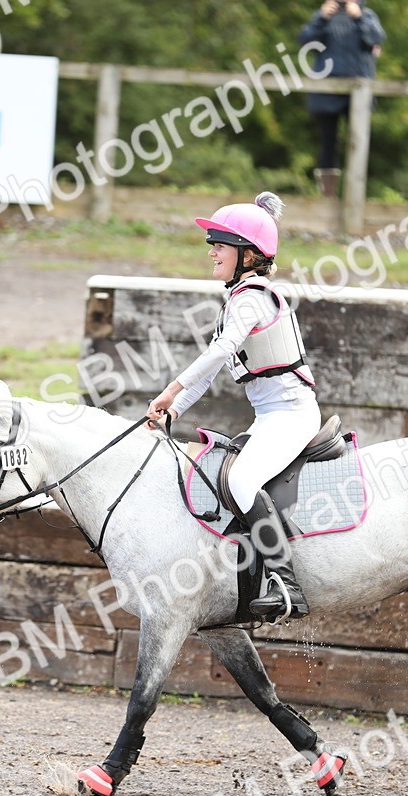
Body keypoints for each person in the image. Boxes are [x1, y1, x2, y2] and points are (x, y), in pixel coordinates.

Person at [146, 192, 320, 622]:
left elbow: (221, 349)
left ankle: (288, 587)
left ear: (248, 255)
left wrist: (171, 387)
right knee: (219, 476)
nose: (211, 252)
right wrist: (175, 410)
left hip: (293, 416)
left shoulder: (252, 298)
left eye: (219, 245)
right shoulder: (239, 299)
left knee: (241, 480)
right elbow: (212, 369)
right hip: (270, 418)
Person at [299, 0, 386, 198]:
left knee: (358, 142)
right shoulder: (322, 16)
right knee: (328, 144)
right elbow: (305, 42)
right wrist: (321, 18)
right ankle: (327, 196)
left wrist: (359, 17)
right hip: (326, 90)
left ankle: (356, 195)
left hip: (358, 91)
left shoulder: (367, 15)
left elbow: (376, 38)